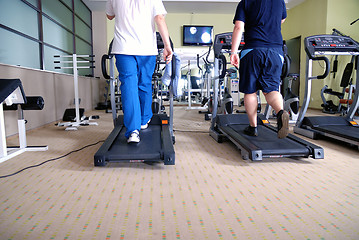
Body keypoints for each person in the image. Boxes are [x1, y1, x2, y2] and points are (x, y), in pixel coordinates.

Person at [106, 0, 173, 143]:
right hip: (147, 49)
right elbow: (159, 18)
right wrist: (167, 45)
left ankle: (133, 131)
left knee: (129, 87)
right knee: (145, 84)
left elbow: (109, 16)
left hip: (123, 48)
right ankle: (144, 119)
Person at [230, 0, 289, 138]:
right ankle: (281, 112)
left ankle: (253, 127)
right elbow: (282, 19)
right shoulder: (279, 1)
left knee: (250, 91)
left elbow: (239, 27)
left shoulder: (246, 2)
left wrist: (233, 52)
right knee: (271, 90)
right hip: (276, 51)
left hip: (253, 49)